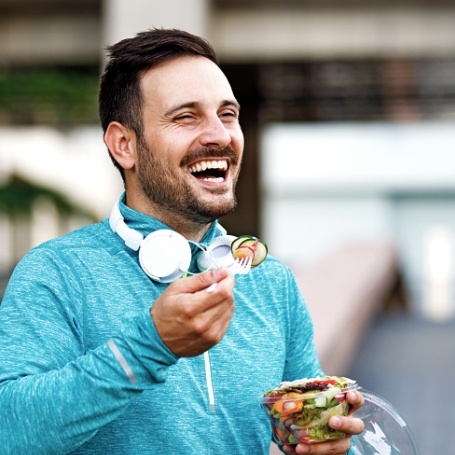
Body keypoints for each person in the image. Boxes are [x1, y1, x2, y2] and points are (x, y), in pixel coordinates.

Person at [0, 28, 364, 455]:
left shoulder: (271, 282)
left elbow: (304, 429)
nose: (220, 135)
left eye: (227, 114)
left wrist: (326, 444)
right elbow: (10, 431)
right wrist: (151, 345)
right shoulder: (55, 273)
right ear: (124, 145)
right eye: (186, 117)